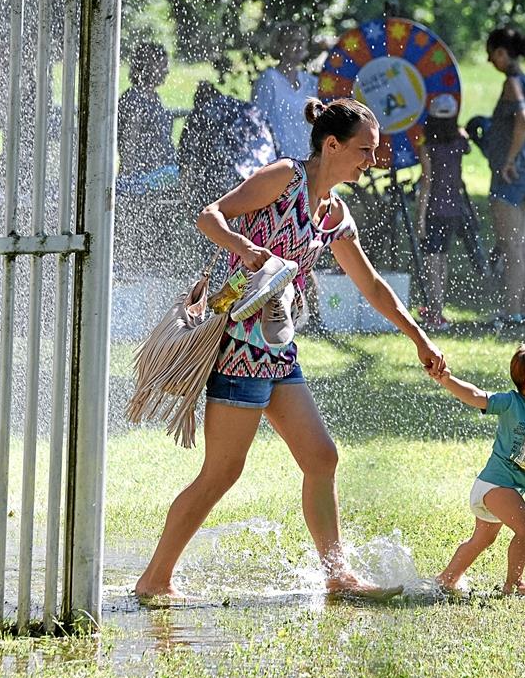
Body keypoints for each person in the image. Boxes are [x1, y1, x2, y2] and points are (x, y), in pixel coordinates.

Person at [134, 97, 447, 601]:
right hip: (238, 345)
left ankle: (338, 576)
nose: (371, 160)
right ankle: (155, 580)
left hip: (277, 349)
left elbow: (370, 286)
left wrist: (419, 337)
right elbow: (210, 216)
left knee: (321, 459)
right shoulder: (284, 178)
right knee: (221, 473)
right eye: (364, 150)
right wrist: (244, 248)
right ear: (331, 145)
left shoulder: (335, 213)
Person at [430, 341, 525, 596]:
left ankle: (446, 579)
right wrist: (448, 380)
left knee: (482, 540)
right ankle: (514, 585)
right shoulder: (510, 403)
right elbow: (476, 396)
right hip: (496, 484)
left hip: (501, 488)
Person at [483, 27, 525, 331]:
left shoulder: (512, 83)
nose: (489, 59)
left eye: (491, 53)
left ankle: (510, 312)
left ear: (503, 53)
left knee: (511, 246)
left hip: (511, 174)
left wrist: (508, 160)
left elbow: (524, 121)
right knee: (523, 245)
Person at [115, 41, 182, 278]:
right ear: (145, 65)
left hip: (157, 178)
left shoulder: (153, 98)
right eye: (160, 65)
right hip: (142, 181)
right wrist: (130, 179)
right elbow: (128, 143)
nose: (165, 71)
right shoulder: (133, 99)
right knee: (140, 238)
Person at [415, 93, 473, 332]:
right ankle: (438, 309)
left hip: (434, 209)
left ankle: (435, 312)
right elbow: (466, 138)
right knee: (443, 258)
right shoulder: (459, 144)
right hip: (454, 208)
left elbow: (427, 183)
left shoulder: (427, 148)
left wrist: (420, 217)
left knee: (431, 260)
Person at [252, 22, 319, 160]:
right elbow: (256, 122)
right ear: (281, 46)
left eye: (302, 40)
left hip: (308, 161)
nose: (299, 45)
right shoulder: (268, 80)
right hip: (278, 161)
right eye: (294, 41)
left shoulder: (311, 82)